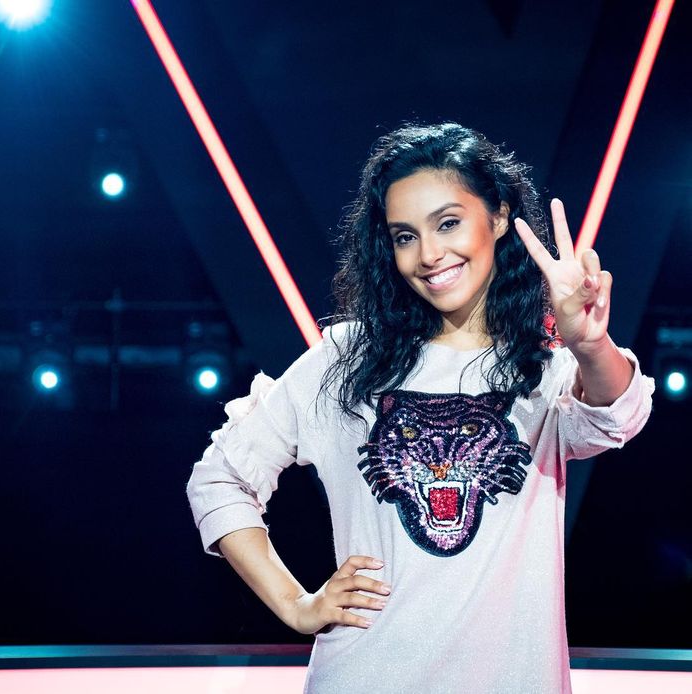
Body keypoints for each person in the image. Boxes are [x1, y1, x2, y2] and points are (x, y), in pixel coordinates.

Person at [186, 122, 654, 693]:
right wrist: (296, 604)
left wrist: (589, 344)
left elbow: (618, 414)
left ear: (499, 217)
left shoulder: (544, 372)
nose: (429, 255)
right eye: (405, 236)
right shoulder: (347, 361)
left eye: (448, 223)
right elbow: (220, 478)